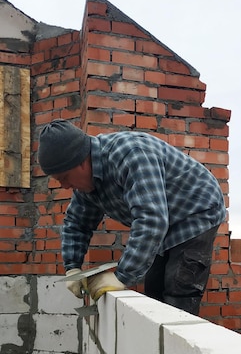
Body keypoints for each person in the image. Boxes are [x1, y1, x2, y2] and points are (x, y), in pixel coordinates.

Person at [38, 119, 226, 316]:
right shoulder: (87, 185)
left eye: (64, 178)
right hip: (167, 219)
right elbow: (77, 224)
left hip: (197, 210)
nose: (64, 186)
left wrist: (121, 277)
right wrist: (72, 268)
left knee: (178, 291)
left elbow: (151, 219)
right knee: (154, 291)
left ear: (82, 161)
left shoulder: (130, 154)